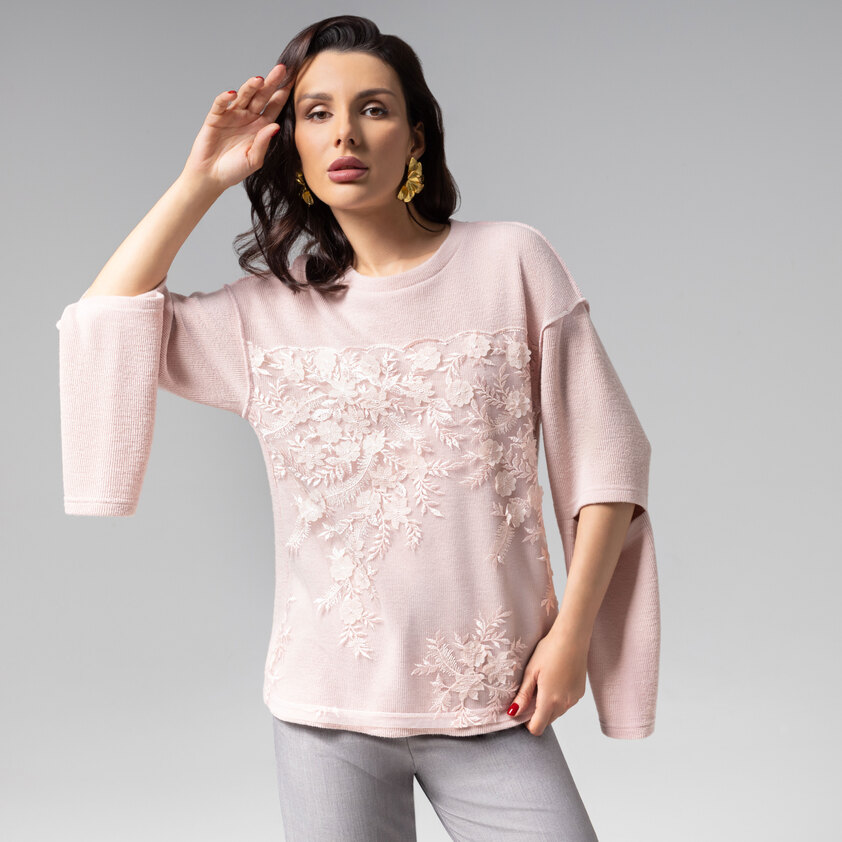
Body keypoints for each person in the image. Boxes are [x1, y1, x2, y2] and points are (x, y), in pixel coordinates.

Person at [56, 14, 661, 842]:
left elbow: (608, 460)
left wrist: (573, 637)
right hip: (323, 716)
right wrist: (201, 178)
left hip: (493, 700)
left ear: (416, 137)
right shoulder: (264, 316)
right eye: (317, 113)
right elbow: (106, 321)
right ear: (293, 148)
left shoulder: (512, 262)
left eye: (374, 108)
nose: (346, 132)